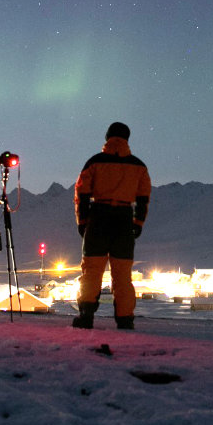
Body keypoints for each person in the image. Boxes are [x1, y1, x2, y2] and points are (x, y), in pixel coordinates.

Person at [72, 121, 151, 330]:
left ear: (107, 137)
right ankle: (125, 320)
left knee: (91, 271)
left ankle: (86, 316)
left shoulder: (94, 162)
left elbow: (82, 193)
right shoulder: (139, 166)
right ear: (127, 138)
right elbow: (143, 198)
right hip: (124, 220)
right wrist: (137, 223)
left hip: (98, 218)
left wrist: (83, 221)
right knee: (122, 274)